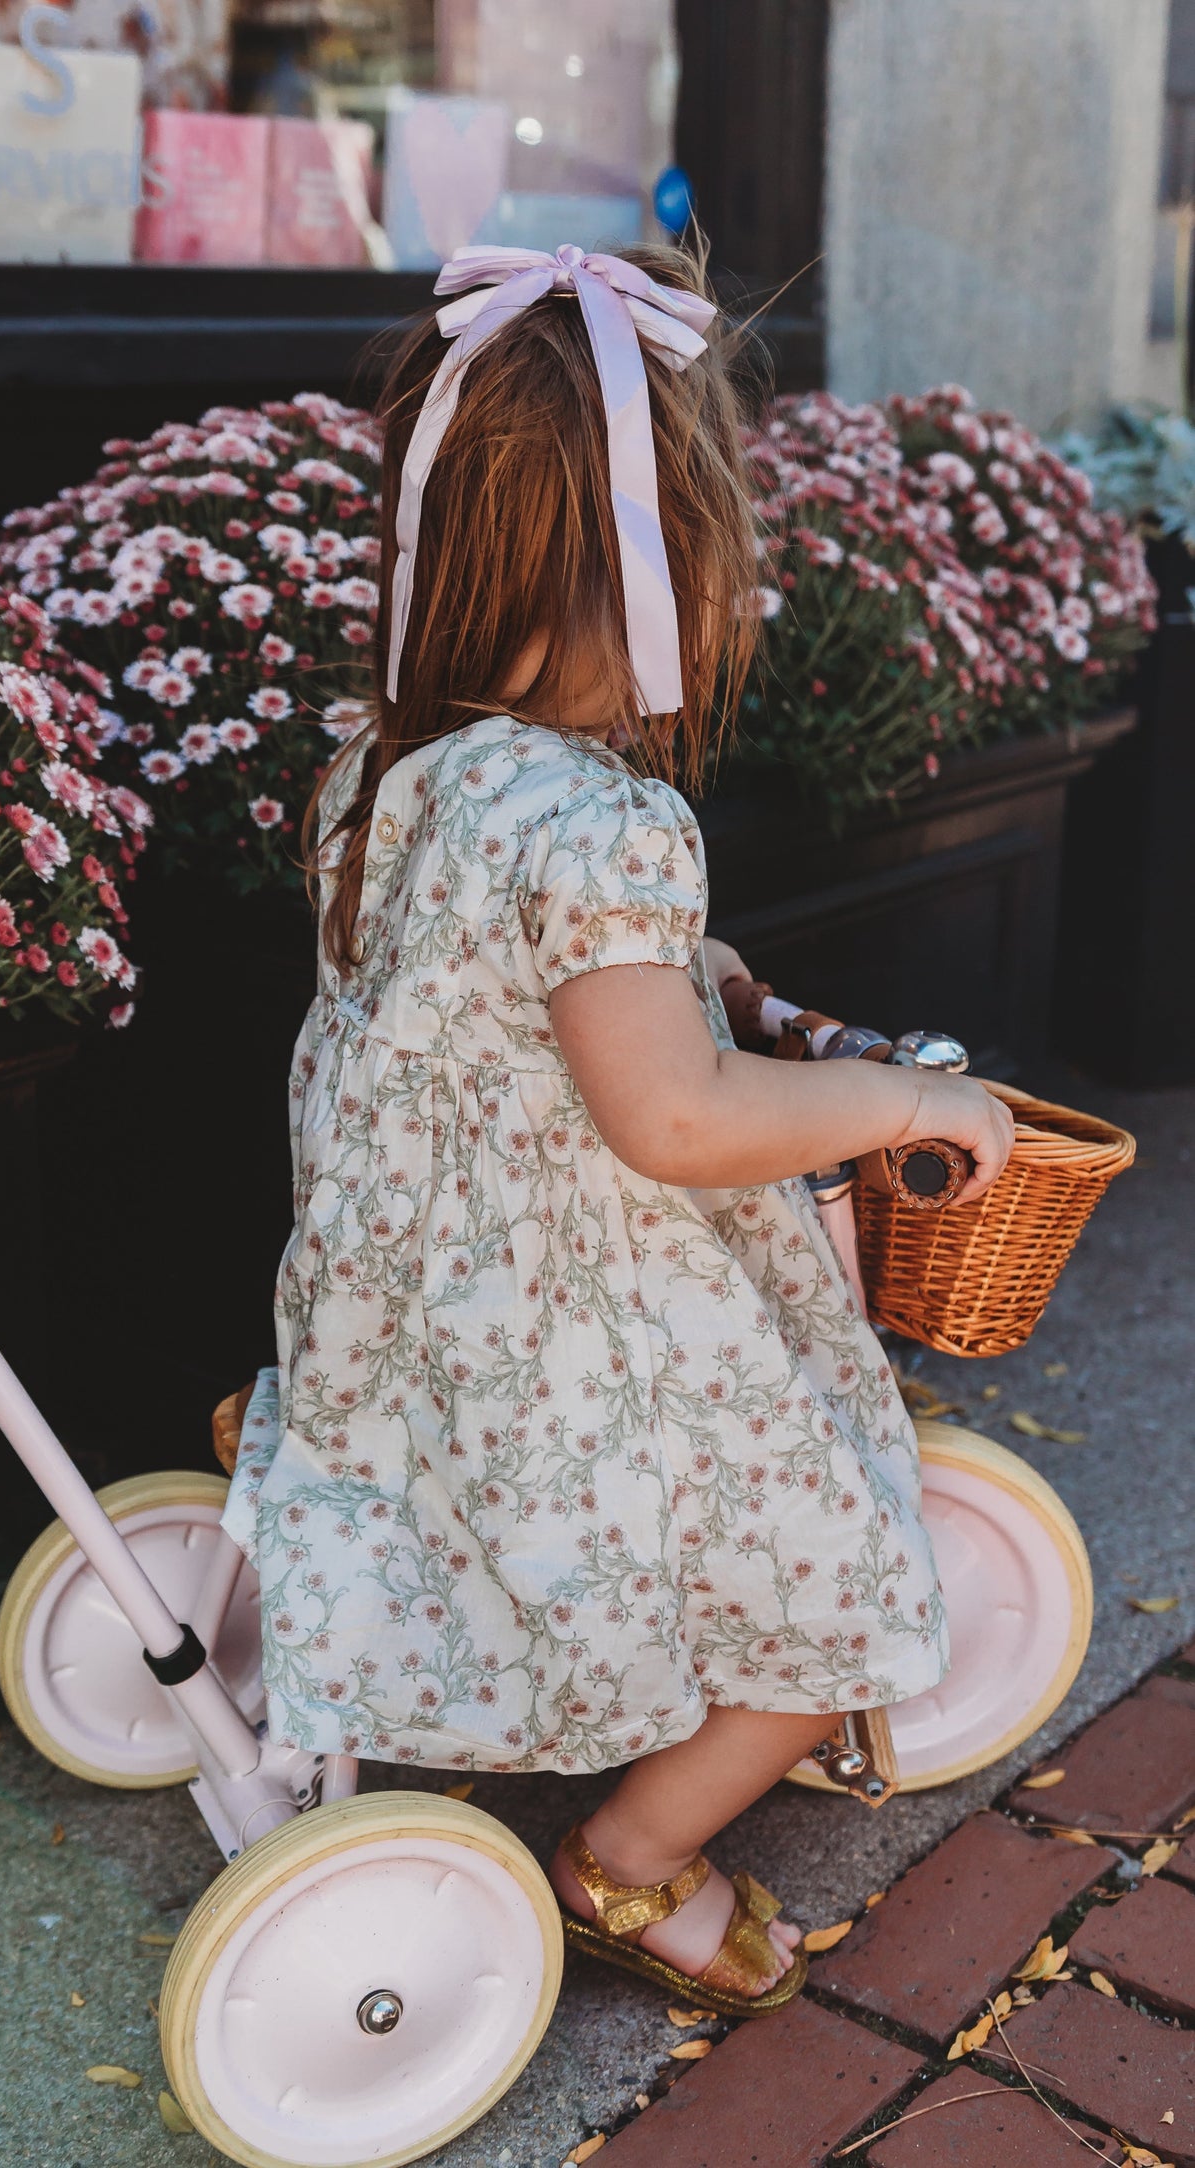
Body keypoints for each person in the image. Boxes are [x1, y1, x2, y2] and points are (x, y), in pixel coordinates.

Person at [220, 239, 1015, 2014]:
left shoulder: (387, 767)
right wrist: (899, 1096)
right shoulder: (599, 827)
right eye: (716, 570)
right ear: (650, 575)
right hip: (570, 1343)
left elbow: (480, 999)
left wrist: (672, 963)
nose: (729, 613)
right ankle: (628, 1858)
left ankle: (368, 1510)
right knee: (843, 1572)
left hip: (405, 1313)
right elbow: (671, 1115)